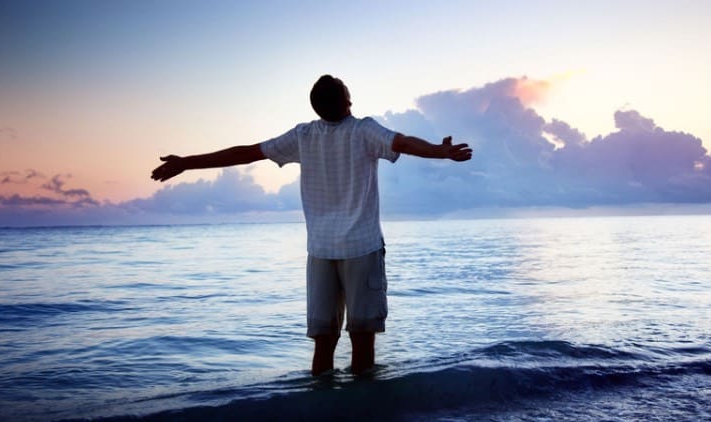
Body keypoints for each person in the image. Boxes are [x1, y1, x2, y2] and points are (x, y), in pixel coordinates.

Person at [151, 75, 472, 376]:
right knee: (362, 339)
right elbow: (402, 143)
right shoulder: (363, 130)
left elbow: (246, 153)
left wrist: (186, 162)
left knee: (324, 342)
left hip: (320, 252)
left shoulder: (304, 135)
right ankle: (364, 409)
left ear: (317, 108)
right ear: (349, 101)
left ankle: (320, 409)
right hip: (362, 248)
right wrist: (440, 152)